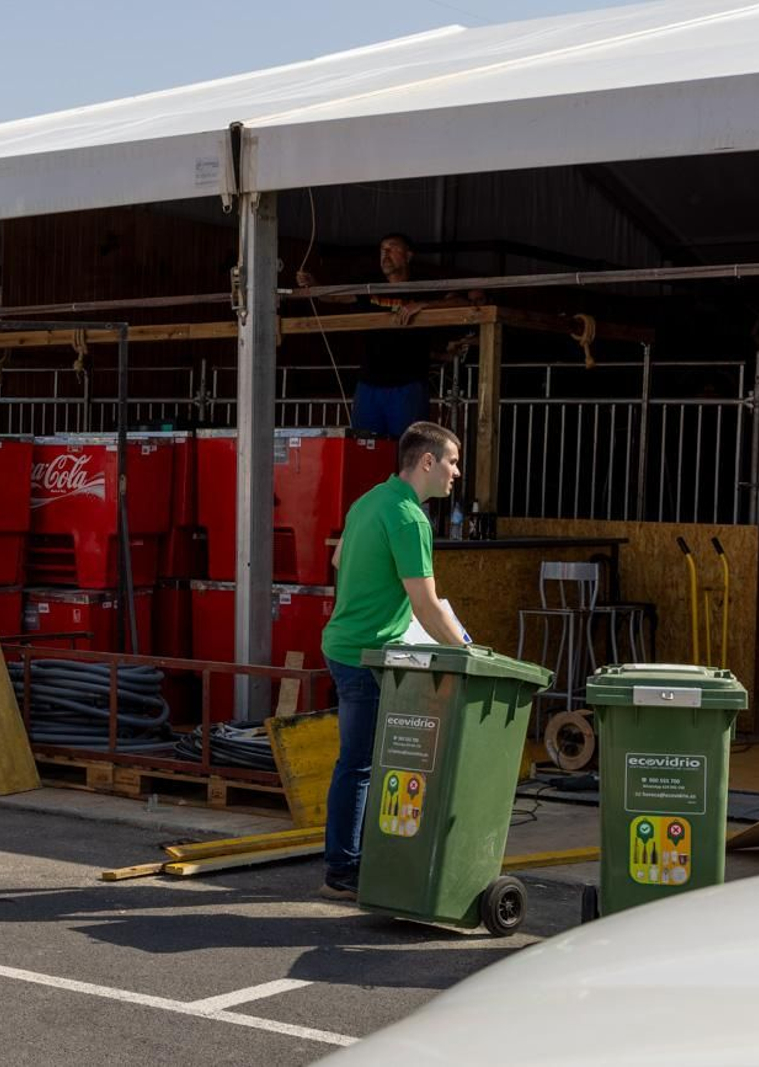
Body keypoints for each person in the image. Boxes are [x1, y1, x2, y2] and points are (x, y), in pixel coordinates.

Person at [317, 421, 469, 900]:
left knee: (362, 762)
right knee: (360, 764)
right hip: (365, 655)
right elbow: (425, 603)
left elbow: (340, 560)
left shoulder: (370, 500)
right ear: (427, 461)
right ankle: (343, 870)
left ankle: (354, 859)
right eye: (452, 461)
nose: (456, 473)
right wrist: (467, 655)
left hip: (344, 645)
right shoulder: (408, 517)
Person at [298, 233, 480, 437]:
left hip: (407, 384)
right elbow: (335, 297)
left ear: (408, 255)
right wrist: (314, 285)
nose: (384, 254)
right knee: (365, 447)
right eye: (382, 250)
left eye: (391, 248)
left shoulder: (424, 286)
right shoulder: (371, 285)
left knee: (407, 450)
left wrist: (424, 305)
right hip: (369, 384)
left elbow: (462, 303)